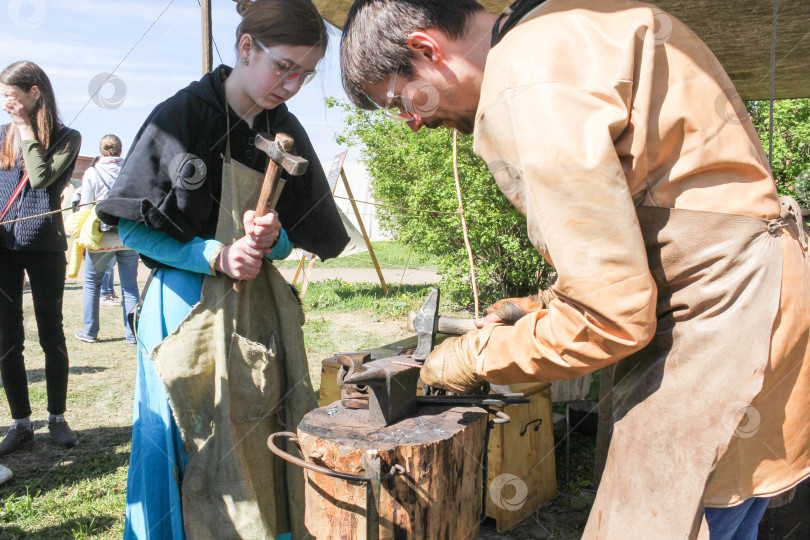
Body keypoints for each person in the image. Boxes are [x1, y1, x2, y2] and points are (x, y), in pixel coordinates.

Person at [339, 0, 810, 538]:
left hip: (721, 338)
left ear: (426, 49)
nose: (414, 122)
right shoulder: (567, 25)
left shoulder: (524, 83)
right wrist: (541, 307)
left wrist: (474, 356)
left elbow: (611, 320)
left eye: (401, 101)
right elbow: (667, 224)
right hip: (761, 309)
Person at [95, 1, 348, 538]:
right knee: (186, 446)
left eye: (304, 74)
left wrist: (272, 241)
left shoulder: (286, 129)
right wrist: (212, 254)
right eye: (284, 67)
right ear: (246, 47)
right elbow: (131, 228)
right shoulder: (181, 116)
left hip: (256, 316)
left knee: (259, 442)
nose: (293, 84)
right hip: (183, 313)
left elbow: (297, 236)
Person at [0, 60, 81, 455]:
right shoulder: (0, 136)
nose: (6, 104)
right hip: (3, 249)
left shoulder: (67, 137)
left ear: (35, 93)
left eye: (11, 96)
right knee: (6, 338)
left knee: (52, 333)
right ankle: (20, 423)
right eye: (2, 97)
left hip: (45, 245)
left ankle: (57, 417)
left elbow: (39, 177)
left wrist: (26, 128)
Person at [74, 134, 139, 345]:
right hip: (127, 235)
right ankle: (132, 335)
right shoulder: (130, 169)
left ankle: (90, 332)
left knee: (92, 283)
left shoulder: (91, 172)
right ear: (120, 151)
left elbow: (84, 208)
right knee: (129, 286)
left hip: (100, 238)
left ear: (101, 151)